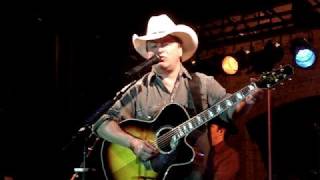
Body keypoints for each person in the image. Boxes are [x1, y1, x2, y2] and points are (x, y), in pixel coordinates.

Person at [93, 14, 263, 180]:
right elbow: (101, 123)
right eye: (153, 45)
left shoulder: (203, 84)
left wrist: (248, 102)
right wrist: (134, 143)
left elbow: (233, 111)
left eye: (165, 43)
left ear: (180, 48)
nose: (159, 49)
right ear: (147, 53)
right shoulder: (137, 89)